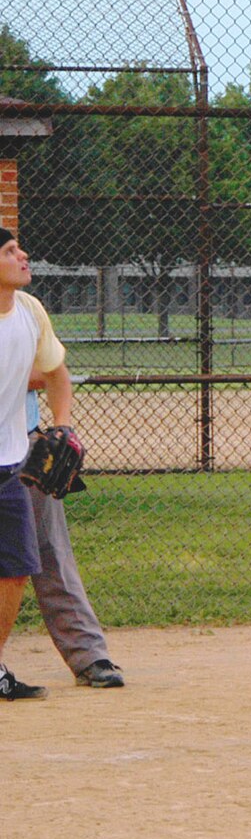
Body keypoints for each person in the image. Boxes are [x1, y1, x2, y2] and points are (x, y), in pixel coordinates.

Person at [0, 228, 80, 701]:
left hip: (9, 465)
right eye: (9, 251)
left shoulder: (29, 312)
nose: (23, 255)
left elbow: (55, 372)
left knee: (14, 569)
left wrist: (61, 426)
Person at [22, 384, 121, 687]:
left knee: (51, 550)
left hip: (24, 443)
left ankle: (88, 654)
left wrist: (62, 426)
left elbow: (53, 372)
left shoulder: (31, 333)